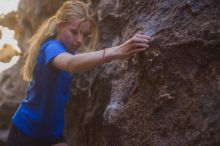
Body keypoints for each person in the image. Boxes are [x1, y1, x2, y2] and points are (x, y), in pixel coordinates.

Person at [7, 0, 151, 146]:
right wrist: (116, 51)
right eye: (74, 32)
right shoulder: (51, 47)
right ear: (59, 26)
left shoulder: (66, 51)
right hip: (25, 132)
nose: (79, 40)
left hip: (52, 135)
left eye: (85, 34)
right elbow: (71, 64)